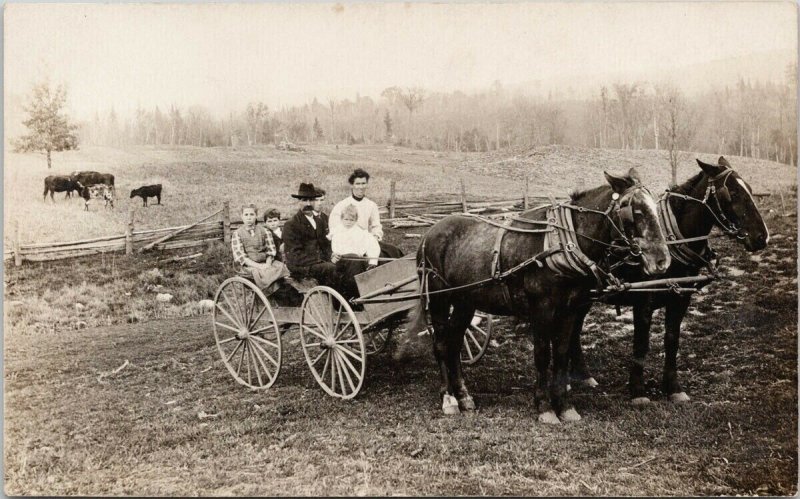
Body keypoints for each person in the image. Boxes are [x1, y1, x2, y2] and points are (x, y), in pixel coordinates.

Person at [329, 168, 403, 260]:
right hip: (348, 242)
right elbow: (334, 228)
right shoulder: (342, 205)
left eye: (363, 183)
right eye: (358, 184)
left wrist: (375, 237)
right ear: (352, 185)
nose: (361, 187)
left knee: (393, 251)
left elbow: (376, 226)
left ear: (367, 184)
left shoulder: (371, 205)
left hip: (366, 240)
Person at [282, 182, 338, 287]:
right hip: (300, 266)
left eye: (311, 200)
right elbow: (294, 255)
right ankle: (334, 302)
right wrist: (320, 260)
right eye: (304, 200)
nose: (308, 204)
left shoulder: (319, 221)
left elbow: (325, 245)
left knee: (344, 263)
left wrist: (332, 254)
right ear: (298, 202)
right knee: (330, 268)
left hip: (317, 263)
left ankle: (351, 300)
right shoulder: (291, 225)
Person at [231, 204, 290, 293]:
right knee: (262, 273)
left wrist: (268, 264)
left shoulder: (265, 231)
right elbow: (241, 257)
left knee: (280, 267)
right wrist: (259, 266)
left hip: (266, 262)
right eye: (246, 215)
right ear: (242, 217)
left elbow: (271, 250)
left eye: (251, 214)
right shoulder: (237, 234)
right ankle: (269, 292)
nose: (249, 218)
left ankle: (278, 292)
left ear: (256, 216)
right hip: (249, 266)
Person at [331, 204, 381, 298]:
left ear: (355, 220)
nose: (348, 222)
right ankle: (353, 296)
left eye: (351, 220)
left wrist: (372, 261)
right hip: (342, 261)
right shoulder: (337, 232)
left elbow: (373, 245)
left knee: (365, 267)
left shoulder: (360, 232)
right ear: (341, 219)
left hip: (358, 260)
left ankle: (366, 294)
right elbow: (335, 248)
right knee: (354, 263)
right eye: (346, 219)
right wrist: (336, 255)